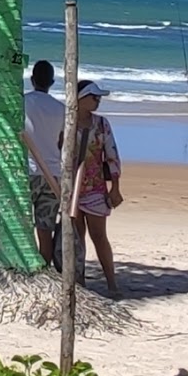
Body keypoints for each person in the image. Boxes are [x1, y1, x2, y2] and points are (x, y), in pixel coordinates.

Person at [68, 80, 123, 298]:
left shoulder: (101, 124)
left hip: (94, 188)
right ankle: (79, 281)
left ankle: (111, 282)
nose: (97, 101)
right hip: (70, 189)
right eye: (93, 97)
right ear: (80, 99)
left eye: (98, 97)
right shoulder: (66, 123)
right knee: (76, 237)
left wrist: (115, 187)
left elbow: (112, 155)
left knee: (99, 236)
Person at [22, 59, 66, 265]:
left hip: (28, 170)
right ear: (52, 82)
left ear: (32, 80)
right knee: (45, 227)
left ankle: (26, 265)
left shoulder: (23, 102)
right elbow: (62, 141)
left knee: (22, 224)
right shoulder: (61, 108)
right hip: (53, 173)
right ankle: (44, 267)